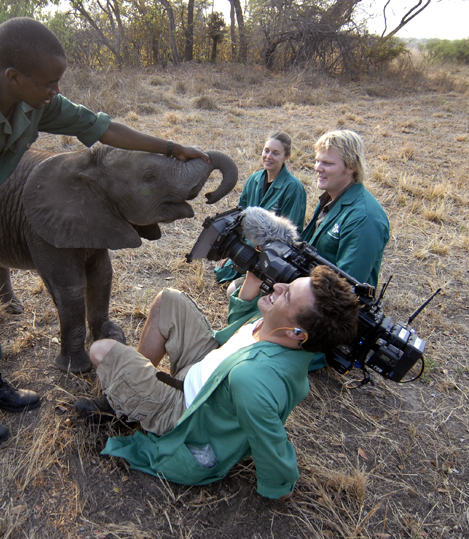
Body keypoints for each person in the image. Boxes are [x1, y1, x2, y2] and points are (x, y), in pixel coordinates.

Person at [0, 17, 209, 453]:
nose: (55, 90)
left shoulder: (35, 102)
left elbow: (99, 127)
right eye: (49, 82)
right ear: (13, 76)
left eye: (57, 82)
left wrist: (168, 148)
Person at [74, 265, 359, 500]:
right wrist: (251, 280)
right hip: (205, 369)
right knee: (169, 298)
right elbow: (238, 330)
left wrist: (279, 487)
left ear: (298, 332)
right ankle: (131, 391)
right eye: (287, 284)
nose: (278, 287)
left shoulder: (255, 378)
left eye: (287, 295)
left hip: (184, 411)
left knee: (100, 351)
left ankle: (132, 404)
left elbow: (269, 437)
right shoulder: (276, 327)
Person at [300, 130, 389, 370]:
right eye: (318, 160)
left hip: (327, 311)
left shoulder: (365, 218)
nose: (318, 167)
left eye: (327, 163)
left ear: (350, 167)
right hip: (313, 288)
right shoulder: (333, 198)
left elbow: (345, 289)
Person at [215, 131, 306, 284]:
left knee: (235, 285)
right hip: (247, 246)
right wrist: (231, 251)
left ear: (287, 157)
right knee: (221, 273)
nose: (268, 156)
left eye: (276, 153)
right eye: (266, 150)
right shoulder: (254, 179)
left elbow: (290, 234)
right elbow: (240, 216)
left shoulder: (293, 187)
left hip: (272, 255)